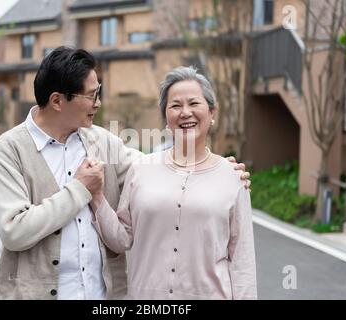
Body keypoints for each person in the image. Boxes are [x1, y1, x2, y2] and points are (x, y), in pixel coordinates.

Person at [0, 46, 251, 300]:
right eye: (91, 96)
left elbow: (157, 171)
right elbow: (14, 231)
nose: (98, 103)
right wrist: (80, 189)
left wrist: (214, 170)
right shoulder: (10, 150)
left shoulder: (102, 142)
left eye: (98, 92)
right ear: (57, 100)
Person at [90, 66, 257, 300]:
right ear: (166, 119)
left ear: (212, 113)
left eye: (194, 104)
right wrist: (96, 197)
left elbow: (242, 263)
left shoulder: (233, 177)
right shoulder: (141, 170)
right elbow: (121, 238)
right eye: (175, 105)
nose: (185, 112)